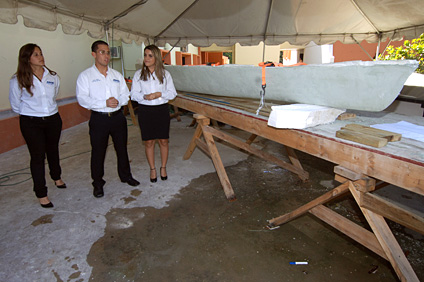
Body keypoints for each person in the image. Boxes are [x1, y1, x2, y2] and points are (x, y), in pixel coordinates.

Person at [76, 40, 139, 198]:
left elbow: (125, 94)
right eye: (102, 52)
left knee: (121, 148)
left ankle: (125, 176)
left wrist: (119, 101)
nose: (106, 56)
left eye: (108, 52)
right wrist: (103, 103)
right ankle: (98, 183)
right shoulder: (85, 76)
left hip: (118, 117)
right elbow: (82, 99)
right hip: (99, 119)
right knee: (98, 152)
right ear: (94, 54)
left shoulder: (116, 75)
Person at [9, 43, 66, 208]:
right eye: (36, 54)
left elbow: (53, 95)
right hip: (31, 122)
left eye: (41, 53)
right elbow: (15, 105)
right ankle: (41, 193)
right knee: (37, 157)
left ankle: (57, 177)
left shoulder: (53, 76)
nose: (41, 57)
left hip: (53, 119)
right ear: (27, 58)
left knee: (53, 150)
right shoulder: (18, 79)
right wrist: (33, 112)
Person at [131, 45, 177, 182]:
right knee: (149, 142)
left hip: (161, 110)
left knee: (163, 140)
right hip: (145, 111)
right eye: (145, 55)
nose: (146, 58)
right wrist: (145, 97)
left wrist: (159, 94)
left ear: (156, 57)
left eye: (150, 56)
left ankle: (163, 167)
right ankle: (152, 169)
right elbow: (133, 94)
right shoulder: (138, 75)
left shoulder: (165, 74)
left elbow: (172, 93)